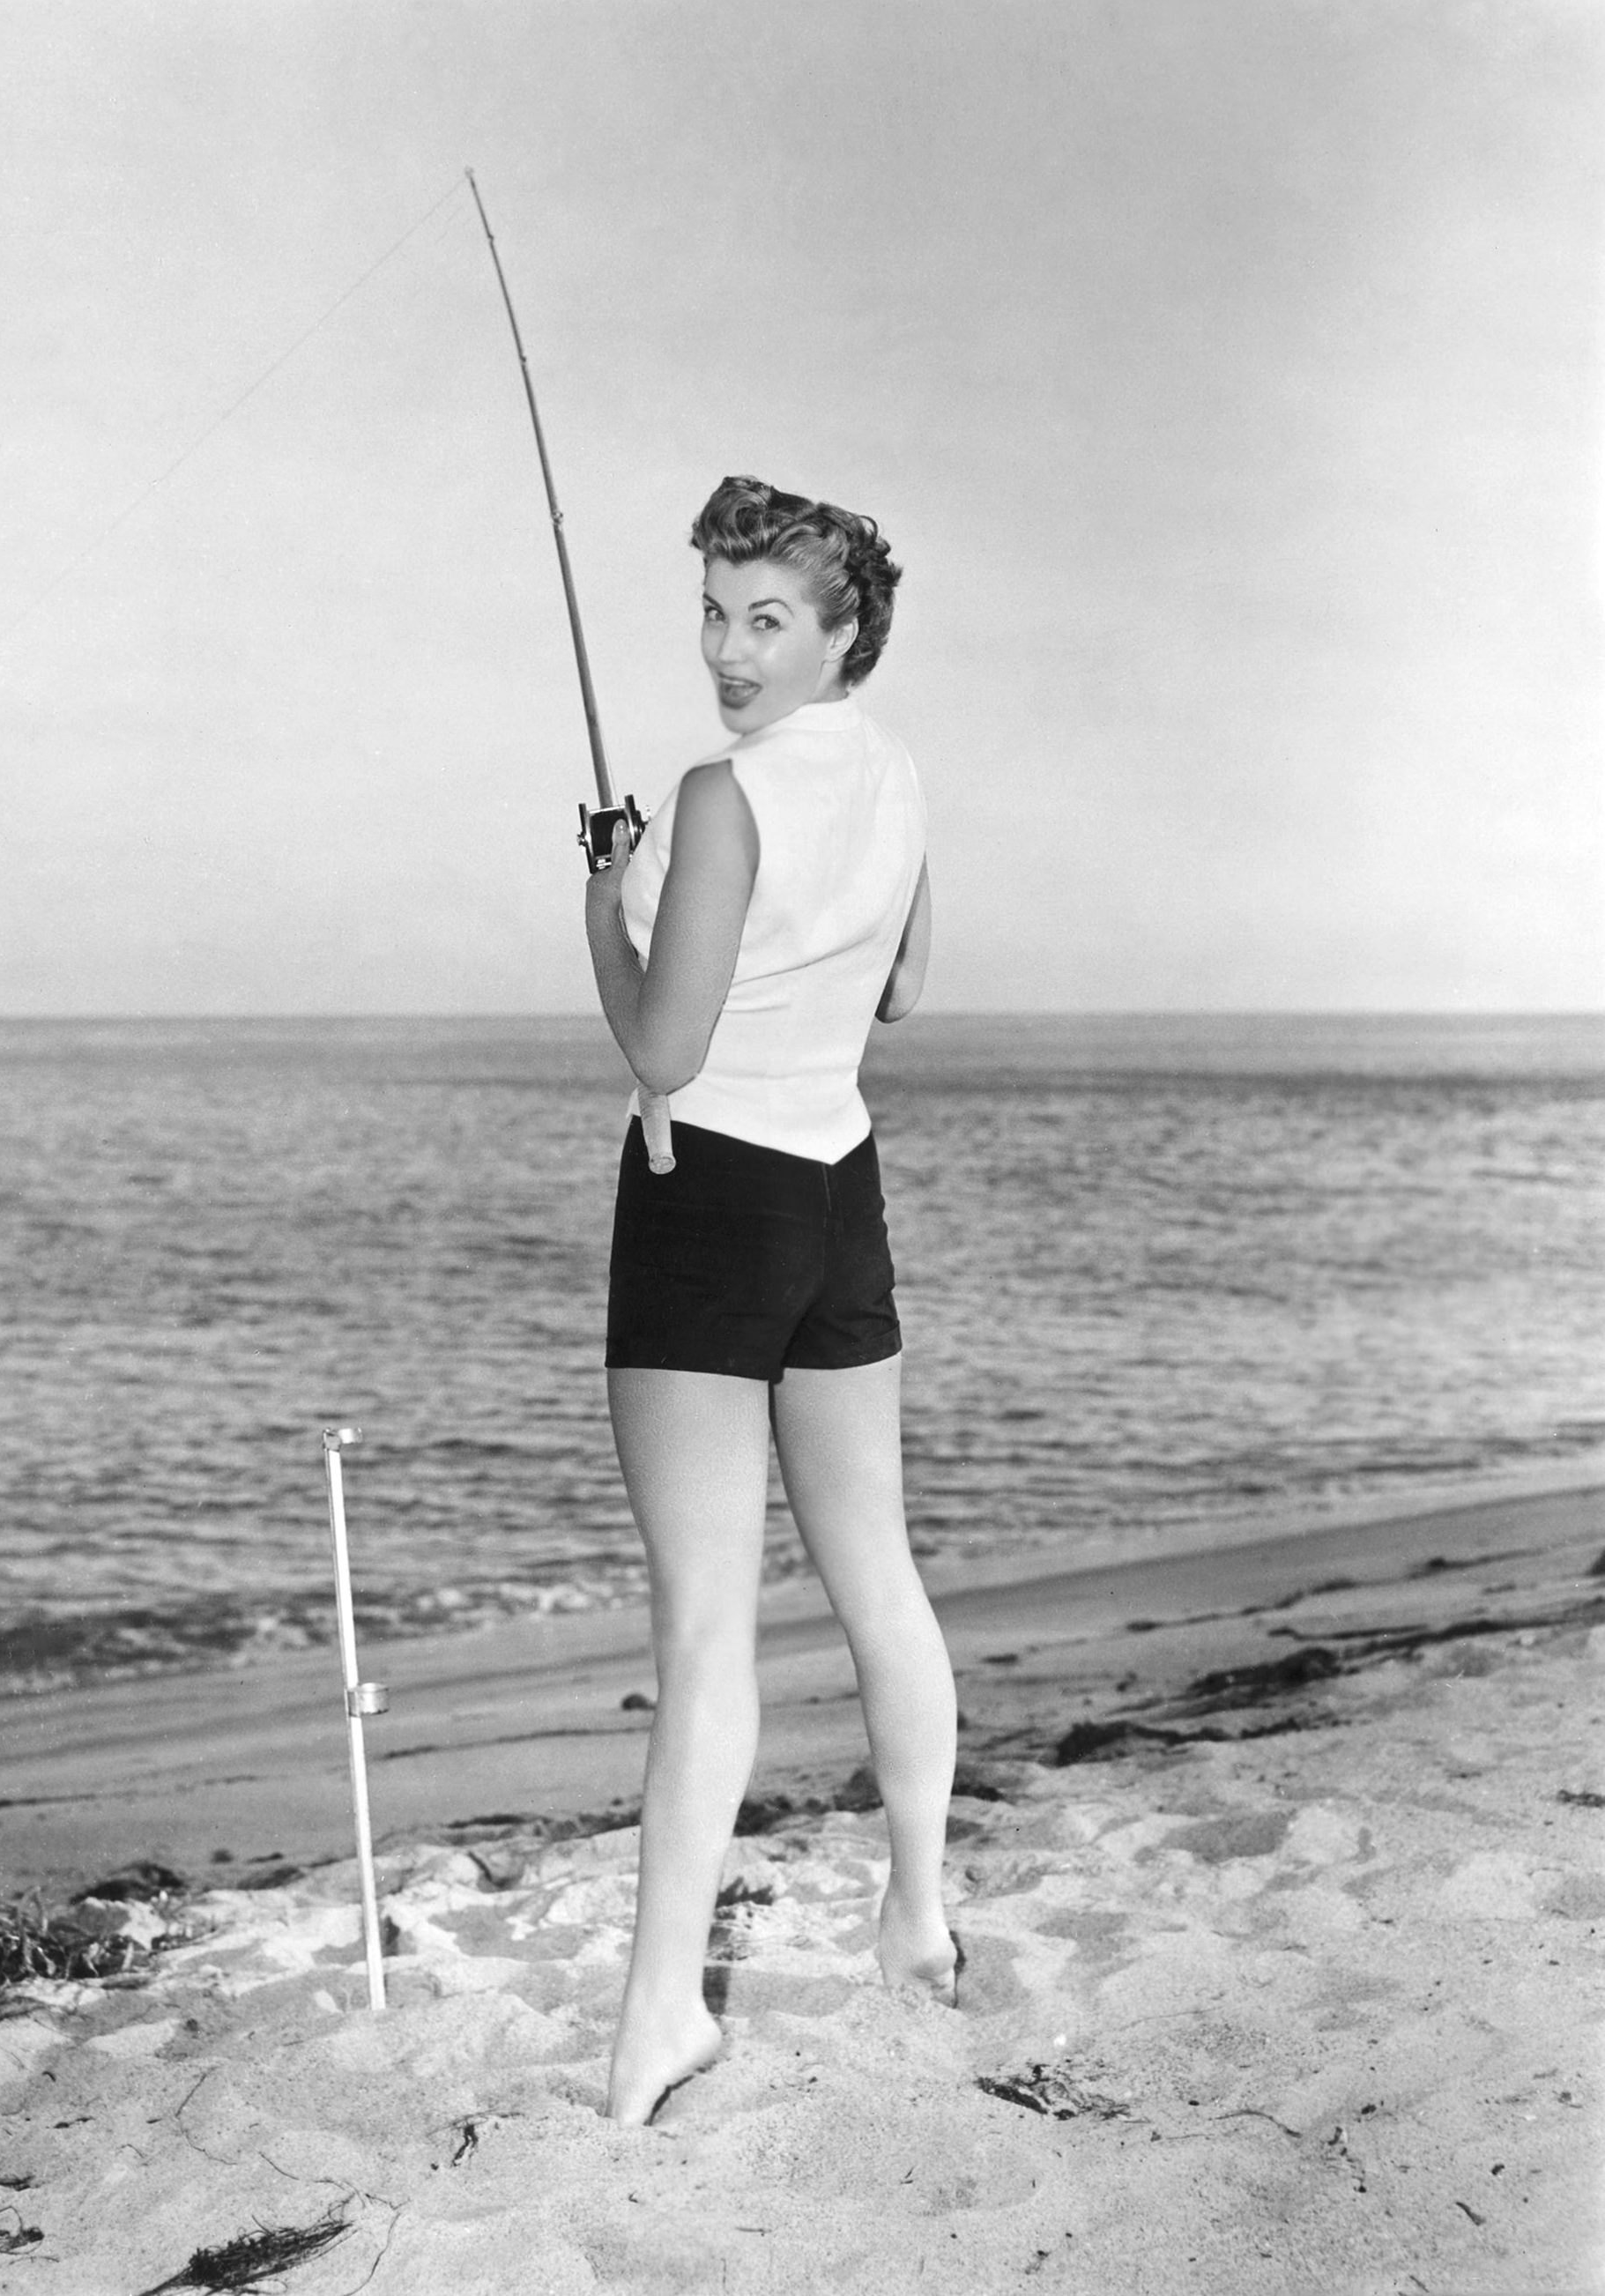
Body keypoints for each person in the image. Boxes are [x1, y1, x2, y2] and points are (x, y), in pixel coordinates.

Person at [583, 474, 955, 2129]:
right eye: (716, 615)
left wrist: (605, 905)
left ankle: (664, 2012)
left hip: (710, 1197)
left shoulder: (717, 794)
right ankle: (918, 1914)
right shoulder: (898, 774)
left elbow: (663, 1046)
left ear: (842, 630)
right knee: (880, 1573)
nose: (730, 652)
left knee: (704, 1626)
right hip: (839, 1193)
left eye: (769, 620)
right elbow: (905, 986)